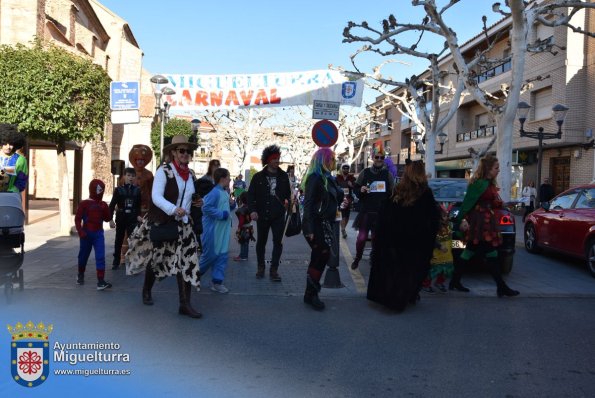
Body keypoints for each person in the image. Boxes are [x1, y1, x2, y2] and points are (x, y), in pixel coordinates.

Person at [126, 135, 202, 318]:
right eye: (181, 150)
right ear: (173, 153)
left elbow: (189, 197)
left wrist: (198, 202)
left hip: (184, 226)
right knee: (157, 259)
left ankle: (184, 304)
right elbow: (156, 197)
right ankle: (146, 290)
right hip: (164, 222)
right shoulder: (164, 171)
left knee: (187, 262)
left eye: (188, 151)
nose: (185, 154)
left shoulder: (190, 174)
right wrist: (174, 209)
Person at [367, 160, 440, 312]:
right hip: (415, 241)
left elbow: (385, 214)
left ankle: (392, 297)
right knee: (412, 269)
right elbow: (431, 219)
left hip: (394, 239)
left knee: (395, 269)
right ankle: (404, 297)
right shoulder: (425, 193)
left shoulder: (398, 190)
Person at [455, 155, 520, 297]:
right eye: (496, 168)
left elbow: (493, 202)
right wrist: (463, 219)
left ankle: (455, 281)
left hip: (485, 221)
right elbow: (468, 203)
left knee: (470, 251)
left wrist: (506, 204)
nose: (498, 170)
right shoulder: (478, 183)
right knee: (490, 253)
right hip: (479, 222)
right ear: (488, 169)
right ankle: (501, 287)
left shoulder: (488, 183)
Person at [301, 148, 343, 310]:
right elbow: (309, 204)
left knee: (320, 256)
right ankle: (312, 293)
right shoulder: (315, 178)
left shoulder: (329, 178)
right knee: (321, 255)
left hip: (326, 223)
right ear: (324, 160)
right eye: (332, 159)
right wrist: (309, 229)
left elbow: (333, 198)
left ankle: (309, 293)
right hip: (316, 223)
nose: (335, 161)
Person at [247, 145, 291, 281]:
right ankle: (261, 267)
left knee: (278, 242)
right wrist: (253, 211)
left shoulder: (284, 176)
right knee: (261, 242)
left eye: (278, 158)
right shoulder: (258, 177)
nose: (277, 161)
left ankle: (274, 270)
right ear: (268, 160)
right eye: (274, 159)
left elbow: (288, 196)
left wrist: (290, 203)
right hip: (262, 215)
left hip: (278, 215)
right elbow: (250, 196)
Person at [351, 141, 395, 269]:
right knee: (361, 238)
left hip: (381, 212)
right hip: (366, 211)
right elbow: (355, 189)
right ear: (372, 158)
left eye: (382, 157)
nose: (379, 159)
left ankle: (374, 258)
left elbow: (393, 192)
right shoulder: (365, 173)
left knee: (377, 239)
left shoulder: (388, 175)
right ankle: (357, 258)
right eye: (377, 157)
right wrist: (361, 190)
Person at [200, 167, 236, 293]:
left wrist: (232, 205)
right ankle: (193, 276)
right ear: (222, 179)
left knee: (222, 256)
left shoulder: (224, 192)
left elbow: (226, 208)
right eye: (228, 177)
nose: (230, 180)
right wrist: (222, 214)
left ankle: (217, 282)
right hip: (213, 231)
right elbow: (206, 208)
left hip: (223, 231)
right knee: (210, 256)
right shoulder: (214, 192)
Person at [74, 179, 114, 290]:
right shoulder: (84, 204)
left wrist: (108, 212)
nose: (100, 192)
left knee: (100, 256)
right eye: (98, 190)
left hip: (97, 235)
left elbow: (106, 218)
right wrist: (81, 232)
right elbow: (77, 219)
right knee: (83, 257)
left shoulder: (102, 205)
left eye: (101, 190)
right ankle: (80, 274)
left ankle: (101, 281)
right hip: (86, 235)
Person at [109, 167, 142, 270]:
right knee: (119, 239)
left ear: (135, 177)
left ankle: (133, 261)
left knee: (133, 240)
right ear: (124, 176)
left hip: (132, 218)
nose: (130, 178)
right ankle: (116, 260)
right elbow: (112, 205)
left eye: (132, 176)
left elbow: (138, 205)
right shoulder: (118, 190)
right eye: (128, 175)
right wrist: (110, 219)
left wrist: (139, 215)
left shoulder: (137, 190)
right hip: (121, 217)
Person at [422, 205, 454, 294]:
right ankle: (426, 285)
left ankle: (439, 282)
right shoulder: (433, 224)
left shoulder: (449, 224)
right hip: (436, 251)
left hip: (447, 252)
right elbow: (431, 238)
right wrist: (439, 246)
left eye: (447, 215)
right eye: (444, 215)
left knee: (446, 268)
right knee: (433, 269)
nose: (446, 217)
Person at [192, 159, 220, 247]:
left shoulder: (219, 180)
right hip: (204, 208)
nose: (216, 167)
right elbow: (199, 192)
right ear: (210, 167)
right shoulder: (204, 179)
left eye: (218, 165)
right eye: (214, 165)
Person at [0, 123, 28, 193]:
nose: (8, 147)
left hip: (11, 196)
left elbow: (22, 180)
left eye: (11, 144)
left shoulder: (20, 160)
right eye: (5, 143)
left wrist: (13, 191)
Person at [336, 163, 355, 239]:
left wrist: (352, 185)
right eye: (344, 168)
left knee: (347, 216)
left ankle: (343, 228)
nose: (345, 170)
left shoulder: (352, 178)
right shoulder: (337, 178)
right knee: (341, 215)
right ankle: (343, 229)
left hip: (348, 199)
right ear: (341, 169)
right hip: (340, 199)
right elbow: (334, 186)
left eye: (347, 168)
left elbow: (356, 187)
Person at [234, 192, 254, 261]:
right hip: (249, 227)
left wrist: (239, 228)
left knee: (243, 242)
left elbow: (241, 221)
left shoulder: (242, 209)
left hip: (244, 228)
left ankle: (243, 256)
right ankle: (244, 255)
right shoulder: (250, 207)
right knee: (246, 243)